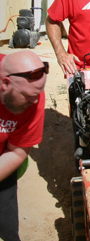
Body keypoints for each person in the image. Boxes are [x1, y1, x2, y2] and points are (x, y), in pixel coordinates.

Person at [0, 51, 48, 241]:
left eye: (37, 94)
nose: (35, 101)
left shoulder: (33, 99)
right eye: (28, 96)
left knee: (7, 228)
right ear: (5, 84)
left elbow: (17, 152)